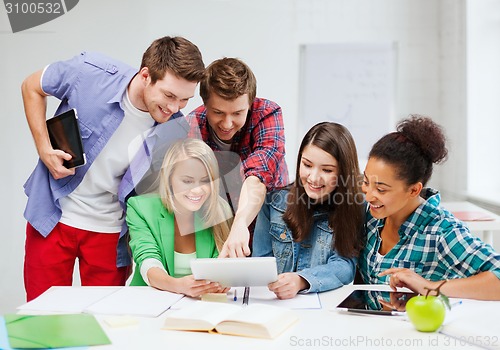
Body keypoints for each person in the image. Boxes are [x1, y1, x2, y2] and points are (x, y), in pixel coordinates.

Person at [22, 36, 205, 301]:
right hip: (54, 215)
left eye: (185, 100)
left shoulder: (175, 128)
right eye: (169, 95)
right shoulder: (89, 72)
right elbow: (31, 86)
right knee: (41, 317)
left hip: (110, 232)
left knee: (105, 323)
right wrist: (43, 148)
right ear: (145, 76)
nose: (174, 107)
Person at [358, 115, 500, 300]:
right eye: (366, 181)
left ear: (414, 190)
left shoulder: (441, 231)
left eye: (381, 189)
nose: (368, 195)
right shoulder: (372, 218)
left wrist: (430, 288)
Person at [187, 57, 289, 258]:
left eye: (237, 113)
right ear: (205, 103)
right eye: (217, 112)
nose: (227, 123)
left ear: (250, 103)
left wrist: (240, 223)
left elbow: (257, 176)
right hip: (217, 230)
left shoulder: (268, 114)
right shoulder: (192, 125)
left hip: (272, 227)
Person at [252, 122, 365, 299]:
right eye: (307, 165)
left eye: (327, 170)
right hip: (275, 304)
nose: (313, 178)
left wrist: (302, 280)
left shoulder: (355, 206)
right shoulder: (273, 203)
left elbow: (345, 265)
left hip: (323, 310)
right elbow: (260, 262)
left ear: (344, 172)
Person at [126, 138, 232, 297]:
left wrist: (222, 281)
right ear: (169, 179)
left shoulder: (219, 209)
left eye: (205, 181)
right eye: (187, 181)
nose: (197, 190)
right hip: (149, 300)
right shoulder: (140, 207)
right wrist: (177, 285)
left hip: (202, 304)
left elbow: (221, 266)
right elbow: (148, 261)